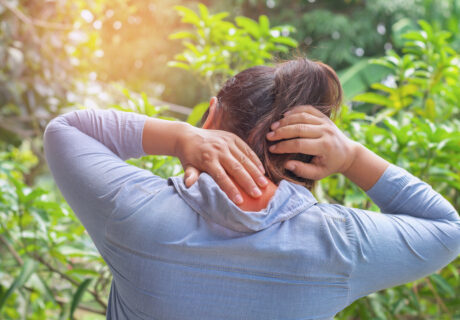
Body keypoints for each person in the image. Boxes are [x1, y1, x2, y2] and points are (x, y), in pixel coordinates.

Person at [44, 58, 460, 320]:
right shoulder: (340, 247)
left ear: (211, 118)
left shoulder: (137, 213)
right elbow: (447, 229)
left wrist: (178, 137)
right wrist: (352, 158)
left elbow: (66, 130)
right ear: (315, 157)